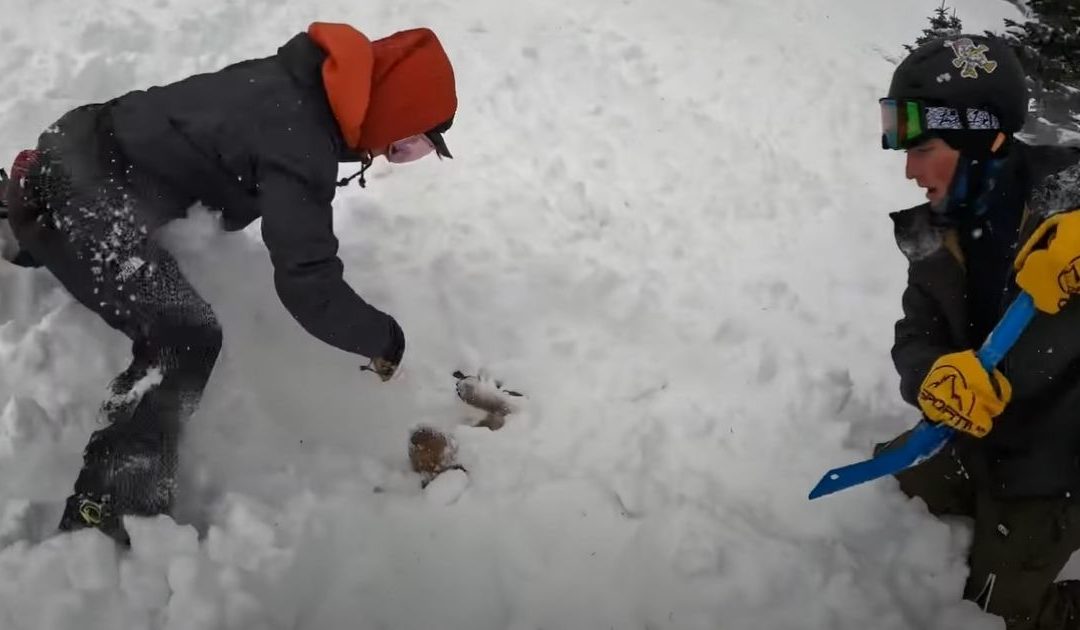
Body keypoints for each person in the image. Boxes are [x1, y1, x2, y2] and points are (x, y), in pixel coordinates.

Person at [0, 21, 457, 545]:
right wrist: (383, 341)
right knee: (184, 336)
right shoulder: (301, 136)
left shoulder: (298, 83)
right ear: (396, 106)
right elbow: (308, 284)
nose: (407, 153)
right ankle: (111, 506)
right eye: (416, 137)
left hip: (80, 150)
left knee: (101, 239)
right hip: (83, 195)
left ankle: (22, 212)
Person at [876, 33, 1080, 628]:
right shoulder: (934, 234)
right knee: (891, 483)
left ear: (980, 137)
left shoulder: (1068, 195)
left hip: (1059, 454)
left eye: (923, 148)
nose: (910, 170)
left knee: (1002, 613)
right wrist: (932, 375)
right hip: (981, 433)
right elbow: (915, 336)